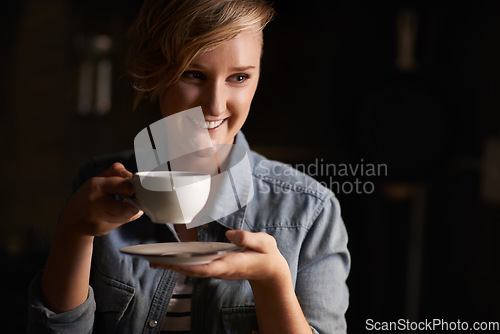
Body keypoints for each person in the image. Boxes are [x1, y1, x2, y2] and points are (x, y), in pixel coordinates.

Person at [28, 0, 350, 333]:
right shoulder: (97, 185)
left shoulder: (310, 210)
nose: (214, 104)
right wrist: (74, 231)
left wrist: (273, 281)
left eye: (238, 77)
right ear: (156, 74)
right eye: (194, 74)